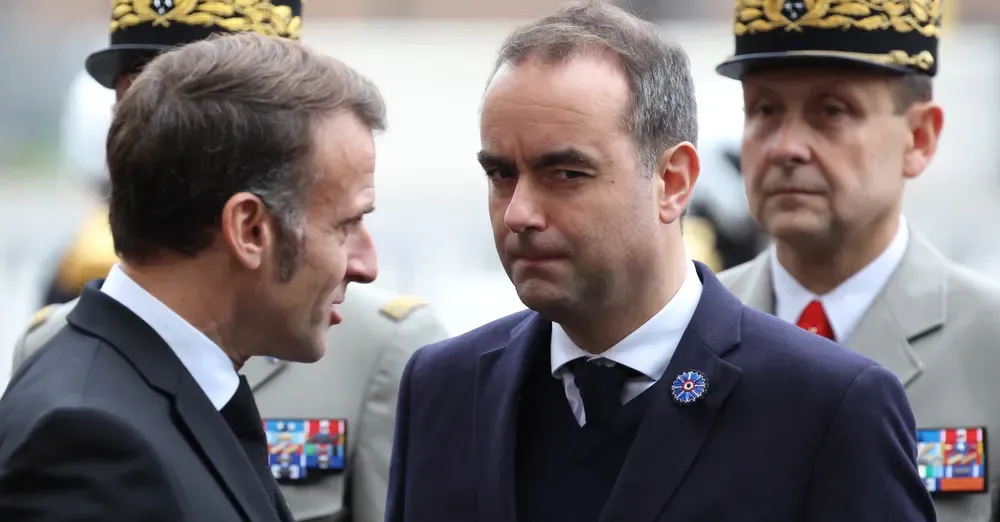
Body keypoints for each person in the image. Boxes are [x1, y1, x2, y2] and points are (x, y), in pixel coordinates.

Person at [384, 2, 935, 521]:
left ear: (672, 182)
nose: (519, 213)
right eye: (502, 174)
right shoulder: (442, 388)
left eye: (566, 174)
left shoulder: (827, 407)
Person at [9, 3, 450, 520]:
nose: (366, 264)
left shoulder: (193, 389)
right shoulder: (89, 442)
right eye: (344, 225)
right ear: (248, 228)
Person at [715, 1, 1000, 520]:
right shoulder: (691, 327)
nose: (786, 147)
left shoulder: (989, 342)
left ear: (920, 138)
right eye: (764, 110)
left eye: (832, 111)